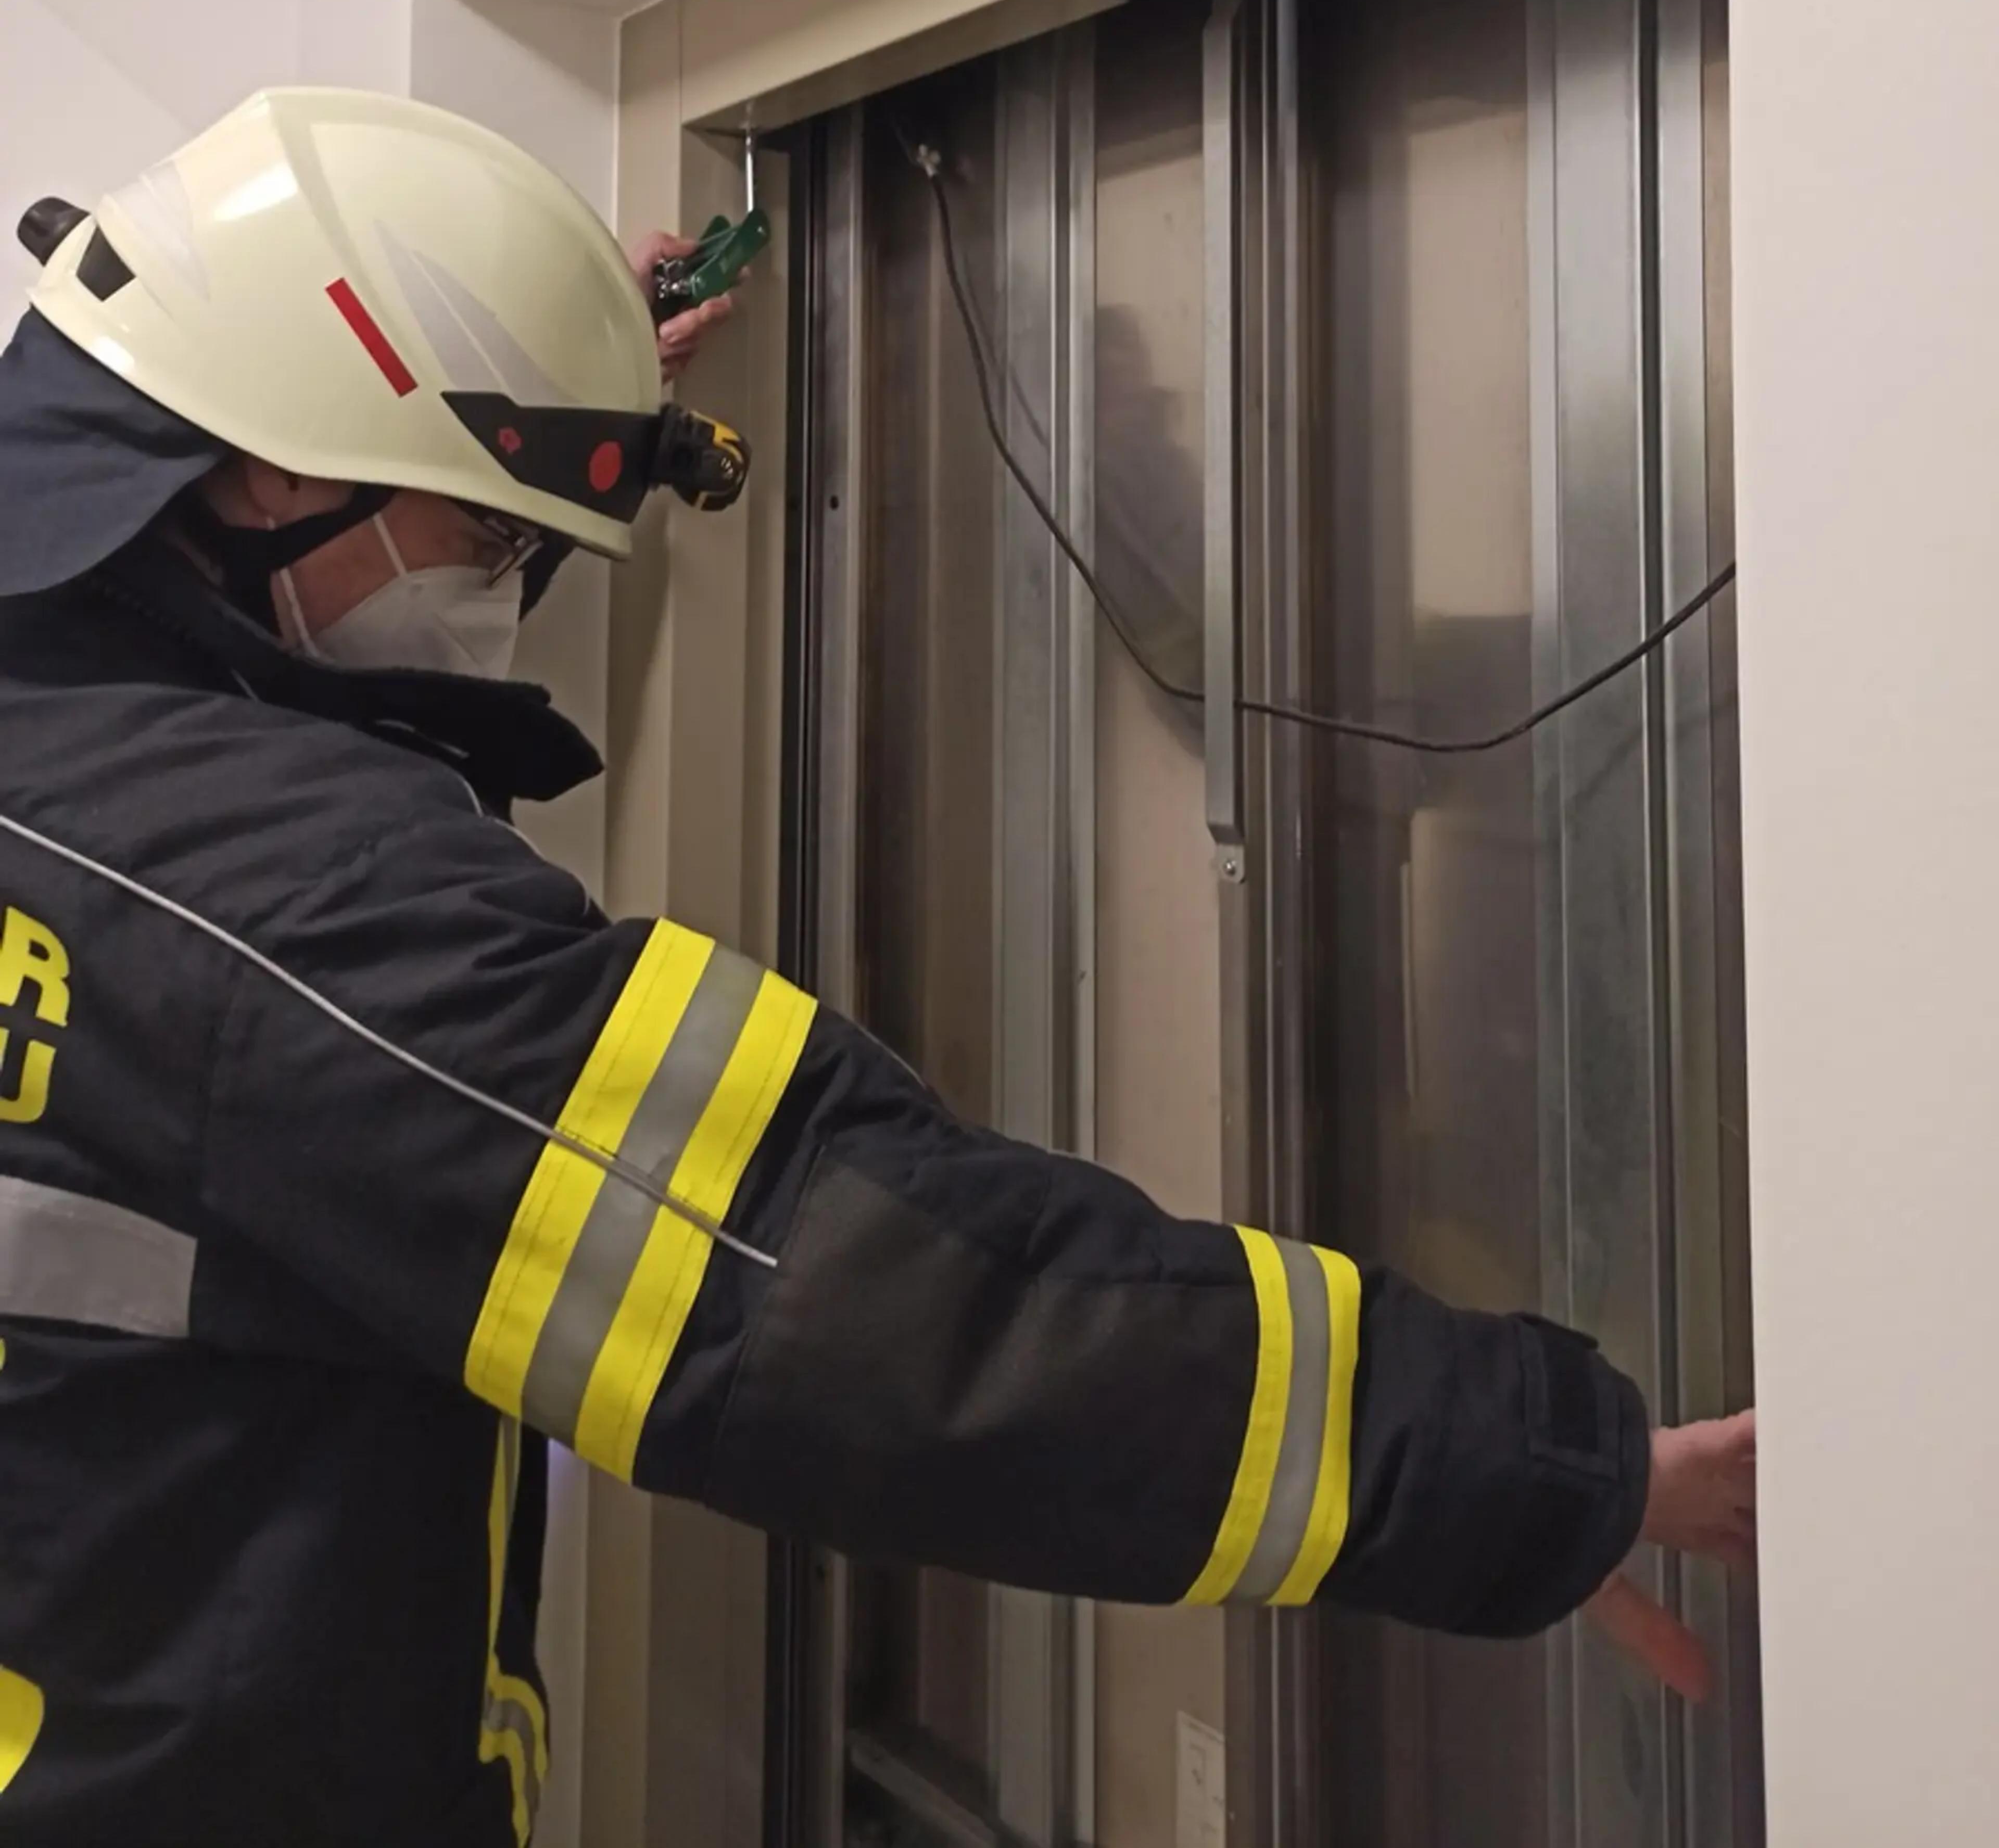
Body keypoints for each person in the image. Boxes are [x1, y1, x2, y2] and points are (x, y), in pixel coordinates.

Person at [0, 88, 1753, 1845]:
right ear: (279, 466)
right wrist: (1522, 1464)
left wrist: (545, 389)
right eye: (492, 539)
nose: (494, 589)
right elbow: (871, 1285)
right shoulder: (282, 906)